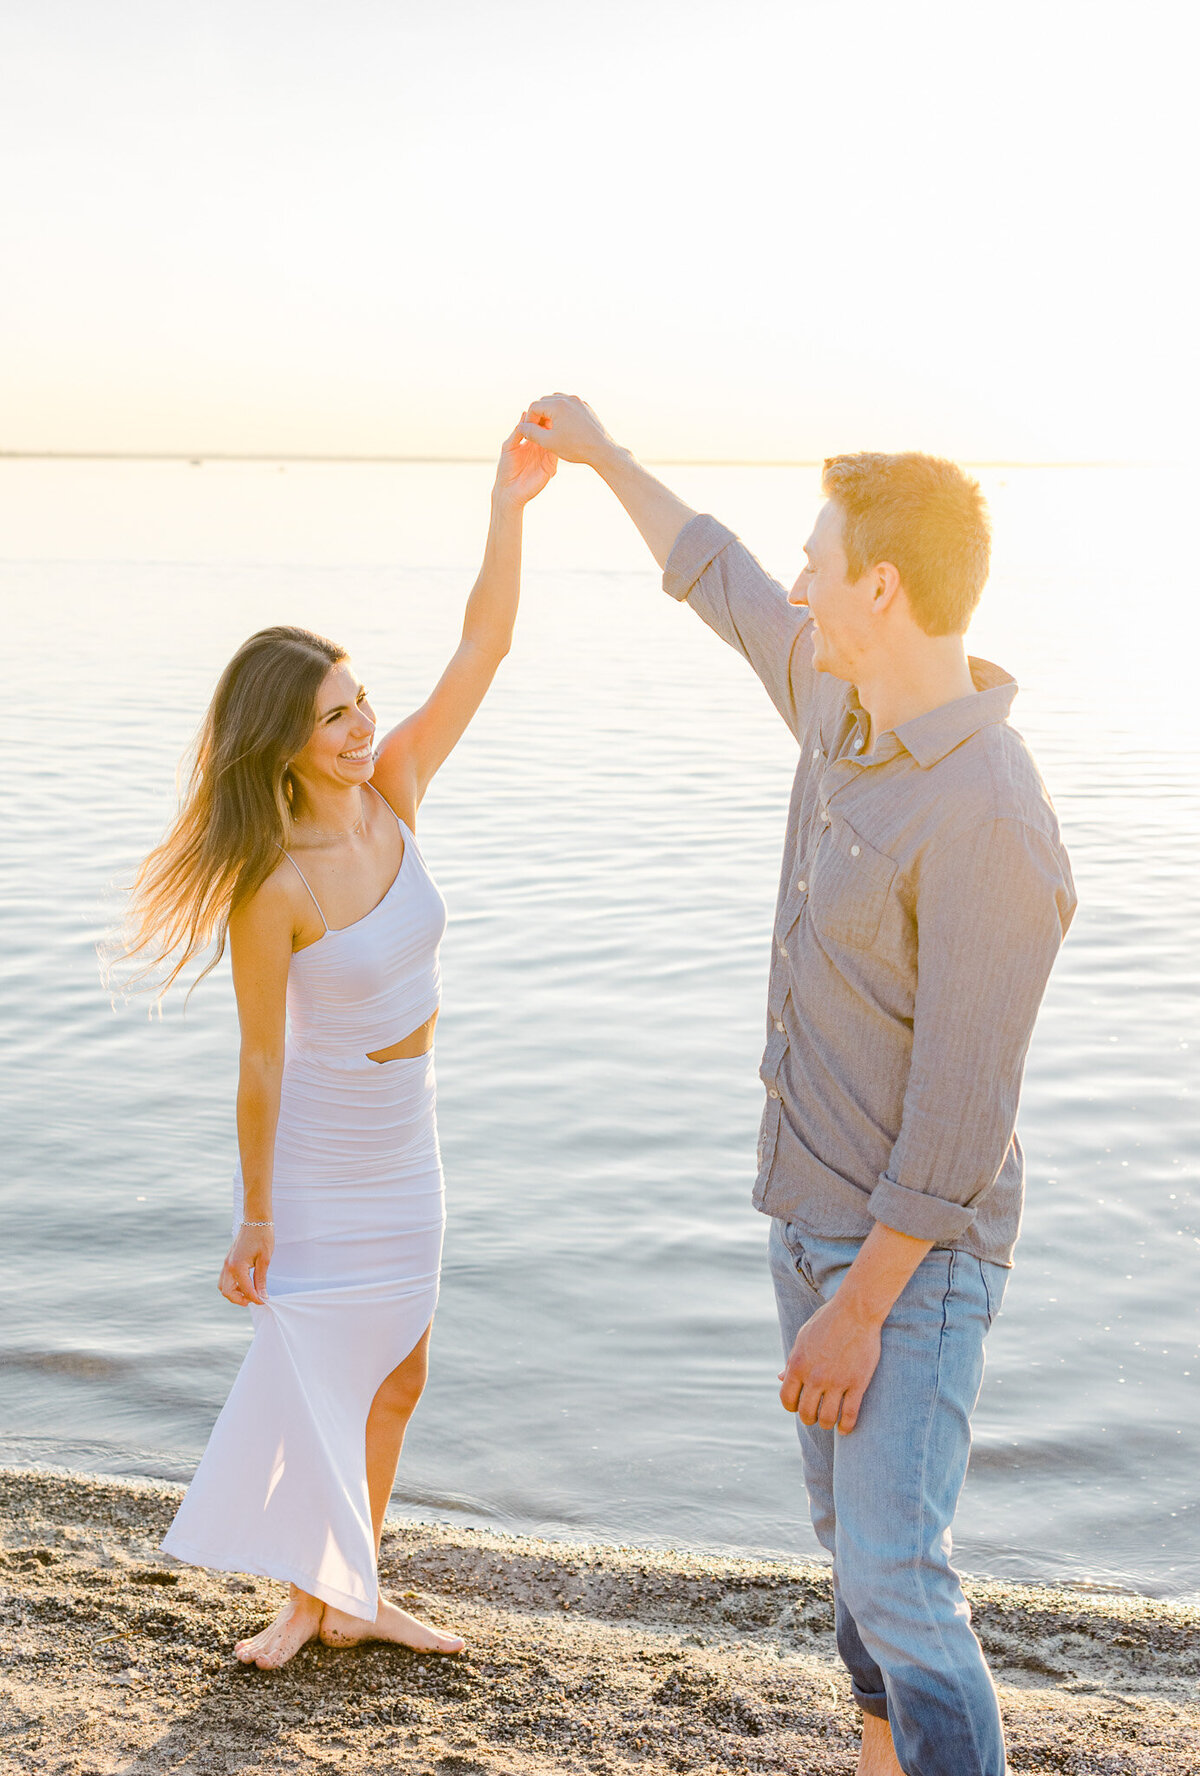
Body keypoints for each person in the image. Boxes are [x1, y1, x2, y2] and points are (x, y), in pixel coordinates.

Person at [518, 396, 1075, 1776]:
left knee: (896, 1571)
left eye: (822, 557)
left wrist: (857, 1312)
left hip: (911, 1259)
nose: (804, 578)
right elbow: (721, 578)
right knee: (854, 1554)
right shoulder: (841, 708)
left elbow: (958, 1123)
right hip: (810, 1224)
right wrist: (600, 456)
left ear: (882, 588)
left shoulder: (991, 815)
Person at [115, 420, 555, 1668]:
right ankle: (310, 1598)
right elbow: (259, 1061)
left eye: (360, 702)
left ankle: (349, 1588)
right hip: (319, 1155)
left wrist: (507, 508)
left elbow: (486, 643)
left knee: (400, 1376)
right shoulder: (274, 886)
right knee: (320, 1374)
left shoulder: (397, 791)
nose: (362, 729)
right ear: (283, 746)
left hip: (409, 1139)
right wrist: (254, 1215)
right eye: (334, 719)